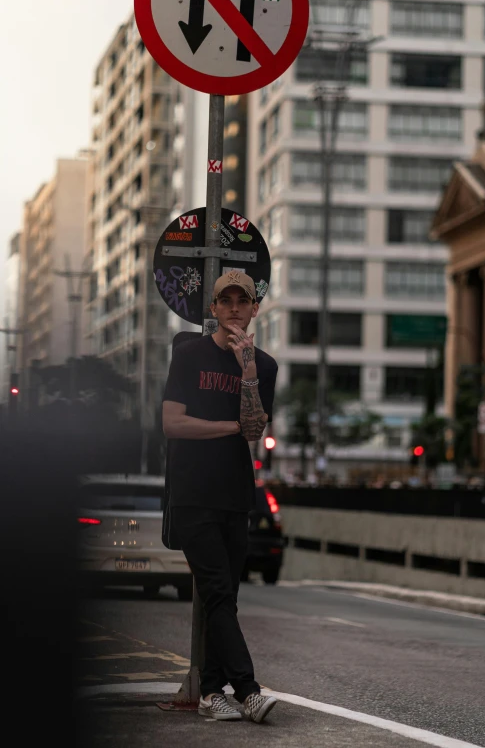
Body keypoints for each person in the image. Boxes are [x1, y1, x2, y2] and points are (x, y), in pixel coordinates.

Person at [162, 270, 279, 723]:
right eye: (224, 301)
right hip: (191, 493)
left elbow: (256, 430)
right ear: (212, 309)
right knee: (215, 590)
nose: (233, 309)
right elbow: (174, 424)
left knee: (224, 600)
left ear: (254, 309)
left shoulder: (264, 366)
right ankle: (248, 690)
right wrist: (229, 428)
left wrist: (247, 368)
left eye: (241, 301)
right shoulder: (188, 357)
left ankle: (211, 693)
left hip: (235, 496)